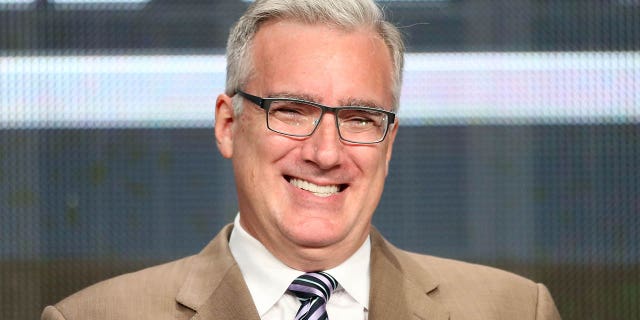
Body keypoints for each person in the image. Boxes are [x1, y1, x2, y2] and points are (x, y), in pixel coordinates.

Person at [41, 0, 561, 319]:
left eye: (359, 119)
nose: (326, 153)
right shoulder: (92, 317)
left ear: (389, 142)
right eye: (291, 111)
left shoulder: (515, 310)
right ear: (228, 125)